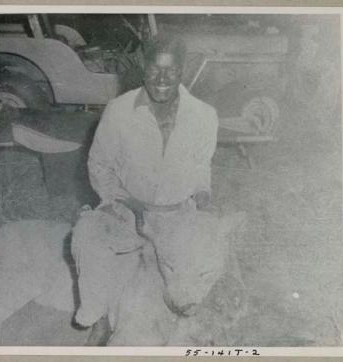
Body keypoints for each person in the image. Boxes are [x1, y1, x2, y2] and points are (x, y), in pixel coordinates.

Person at [71, 34, 219, 345]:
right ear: (142, 66)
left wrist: (203, 196)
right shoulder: (118, 111)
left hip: (179, 216)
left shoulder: (204, 116)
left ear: (183, 70)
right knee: (86, 233)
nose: (162, 79)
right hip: (127, 210)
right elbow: (99, 166)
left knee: (208, 263)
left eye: (172, 71)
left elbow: (201, 166)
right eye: (154, 69)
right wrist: (126, 202)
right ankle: (98, 316)